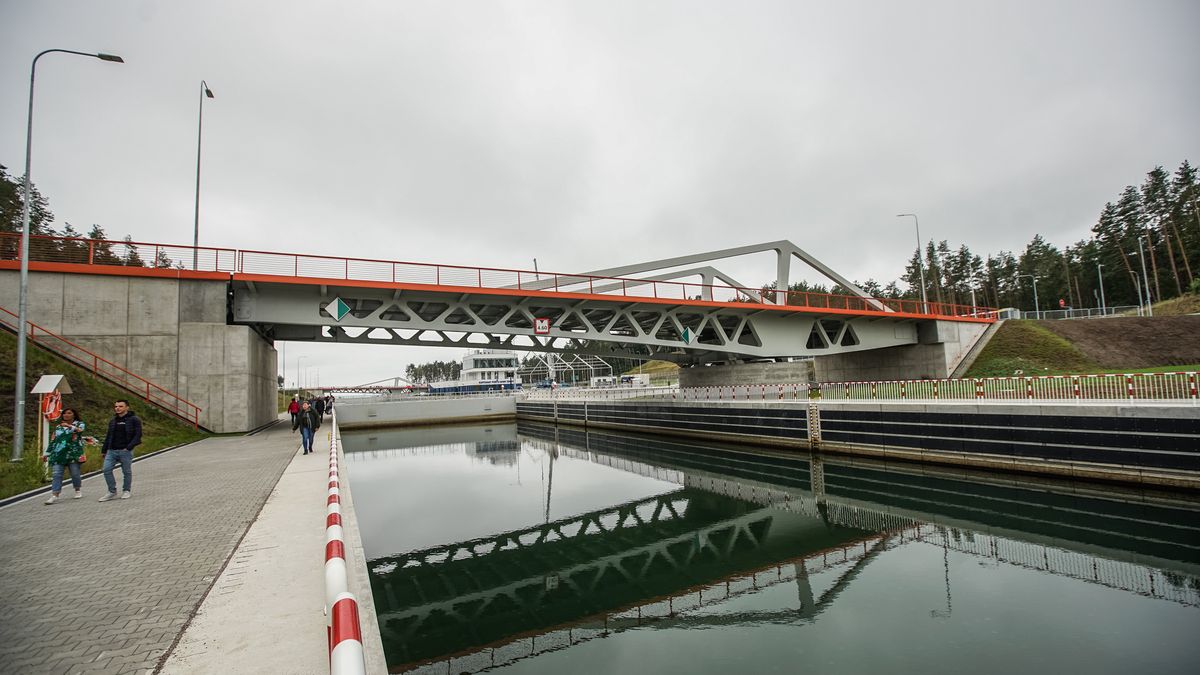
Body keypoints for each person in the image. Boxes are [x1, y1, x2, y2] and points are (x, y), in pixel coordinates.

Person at [99, 400, 141, 502]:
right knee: (106, 469)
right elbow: (109, 436)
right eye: (116, 406)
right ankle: (112, 491)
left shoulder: (134, 420)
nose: (118, 408)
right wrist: (104, 450)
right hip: (112, 450)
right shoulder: (113, 421)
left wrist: (129, 447)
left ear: (127, 407)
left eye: (120, 406)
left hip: (125, 450)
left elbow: (138, 435)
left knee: (126, 471)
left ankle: (126, 490)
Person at [43, 407, 87, 505]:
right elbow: (53, 440)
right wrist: (47, 453)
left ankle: (77, 489)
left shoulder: (79, 424)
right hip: (59, 454)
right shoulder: (59, 427)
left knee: (75, 473)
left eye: (69, 413)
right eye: (64, 413)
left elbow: (80, 431)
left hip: (73, 454)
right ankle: (55, 494)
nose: (66, 415)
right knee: (57, 474)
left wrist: (68, 426)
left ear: (74, 414)